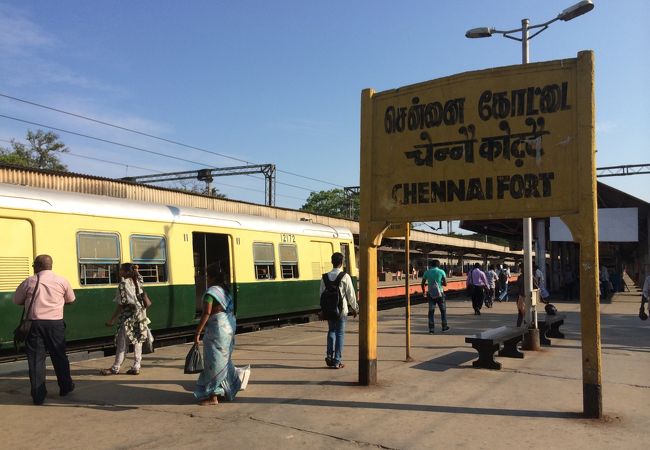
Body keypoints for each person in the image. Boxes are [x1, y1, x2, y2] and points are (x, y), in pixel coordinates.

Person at [13, 254, 76, 405]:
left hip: (34, 325)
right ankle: (65, 387)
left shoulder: (30, 281)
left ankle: (38, 395)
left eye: (34, 265)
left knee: (36, 360)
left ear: (38, 266)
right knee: (59, 356)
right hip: (55, 324)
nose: (33, 268)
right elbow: (71, 299)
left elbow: (17, 300)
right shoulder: (62, 280)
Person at [194, 263, 250, 406]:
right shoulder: (225, 290)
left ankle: (213, 396)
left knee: (214, 362)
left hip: (217, 331)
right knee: (224, 360)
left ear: (211, 277)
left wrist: (198, 332)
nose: (206, 277)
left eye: (207, 275)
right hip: (228, 327)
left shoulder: (211, 292)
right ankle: (227, 390)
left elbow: (206, 313)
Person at [101, 263, 152, 376]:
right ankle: (136, 366)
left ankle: (115, 368)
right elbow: (138, 275)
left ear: (126, 272)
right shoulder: (138, 280)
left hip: (128, 318)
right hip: (141, 317)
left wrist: (112, 319)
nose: (119, 272)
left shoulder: (123, 284)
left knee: (122, 343)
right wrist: (136, 270)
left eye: (121, 270)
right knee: (138, 341)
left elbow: (122, 304)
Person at [320, 252, 359, 369]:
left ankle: (329, 356)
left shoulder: (324, 277)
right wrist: (355, 308)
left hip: (329, 310)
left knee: (331, 331)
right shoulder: (345, 276)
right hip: (341, 311)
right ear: (341, 263)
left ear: (332, 262)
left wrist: (323, 310)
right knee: (340, 334)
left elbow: (321, 295)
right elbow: (351, 295)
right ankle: (337, 361)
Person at [421, 260, 449, 334]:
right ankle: (444, 327)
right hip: (440, 293)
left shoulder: (427, 272)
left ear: (431, 265)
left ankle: (431, 329)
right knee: (443, 311)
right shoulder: (441, 271)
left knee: (431, 311)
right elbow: (445, 284)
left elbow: (422, 283)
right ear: (438, 265)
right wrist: (439, 283)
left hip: (431, 294)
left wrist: (424, 291)